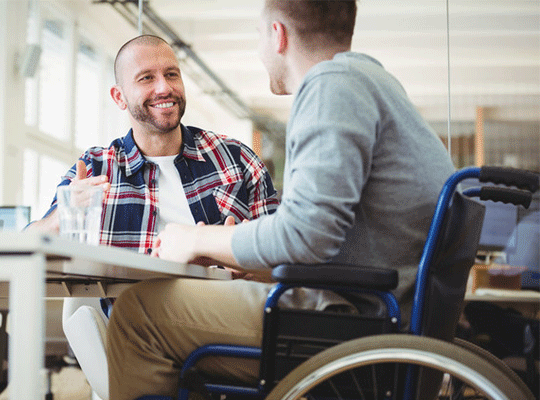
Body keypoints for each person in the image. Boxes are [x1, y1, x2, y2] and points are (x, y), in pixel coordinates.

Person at [106, 1, 455, 399]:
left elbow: (307, 234)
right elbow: (323, 237)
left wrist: (195, 239)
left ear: (277, 34)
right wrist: (240, 255)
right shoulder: (376, 82)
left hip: (352, 325)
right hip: (383, 312)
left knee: (137, 312)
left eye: (258, 37)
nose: (260, 50)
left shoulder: (331, 85)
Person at [27, 34, 279, 252]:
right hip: (125, 307)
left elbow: (284, 255)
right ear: (119, 97)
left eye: (172, 75)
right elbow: (24, 245)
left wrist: (246, 266)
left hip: (220, 305)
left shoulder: (236, 160)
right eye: (146, 78)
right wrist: (61, 217)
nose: (164, 88)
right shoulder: (94, 169)